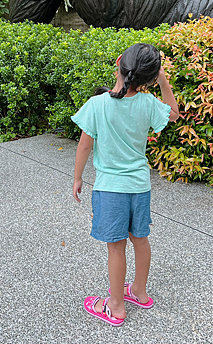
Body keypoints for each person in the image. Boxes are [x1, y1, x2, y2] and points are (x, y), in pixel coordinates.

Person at [71, 43, 179, 327]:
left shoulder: (97, 104)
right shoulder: (147, 104)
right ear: (150, 77)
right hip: (140, 187)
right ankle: (139, 292)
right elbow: (174, 113)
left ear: (119, 62)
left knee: (116, 247)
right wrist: (164, 80)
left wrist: (78, 177)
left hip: (110, 189)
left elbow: (84, 147)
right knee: (140, 240)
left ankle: (116, 305)